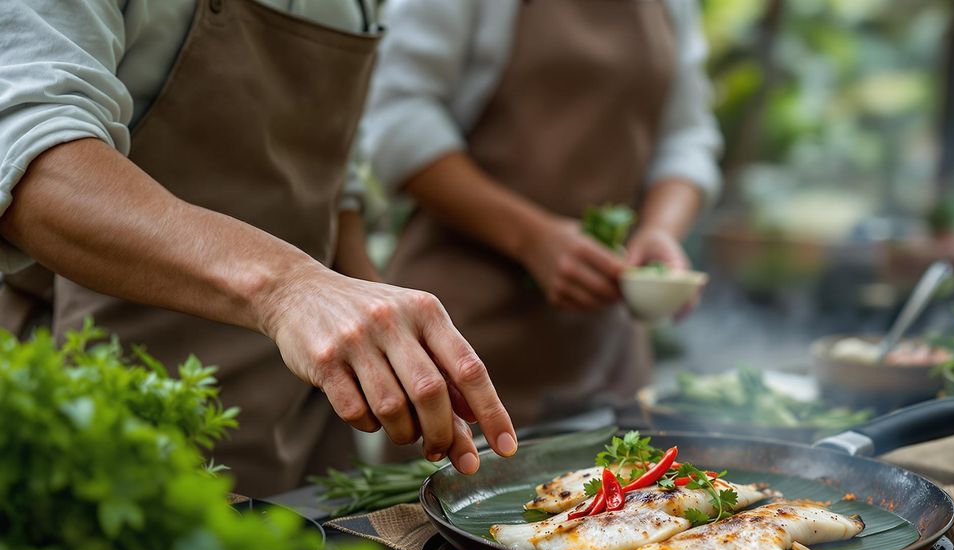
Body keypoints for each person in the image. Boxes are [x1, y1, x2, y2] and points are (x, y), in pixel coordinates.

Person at [0, 0, 517, 496]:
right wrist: (289, 289)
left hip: (308, 417)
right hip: (113, 404)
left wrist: (377, 314)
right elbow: (34, 159)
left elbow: (330, 169)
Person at [362, 0, 722, 428]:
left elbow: (687, 134)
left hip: (608, 346)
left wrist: (660, 230)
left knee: (630, 487)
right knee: (443, 489)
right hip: (462, 335)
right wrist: (533, 238)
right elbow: (396, 118)